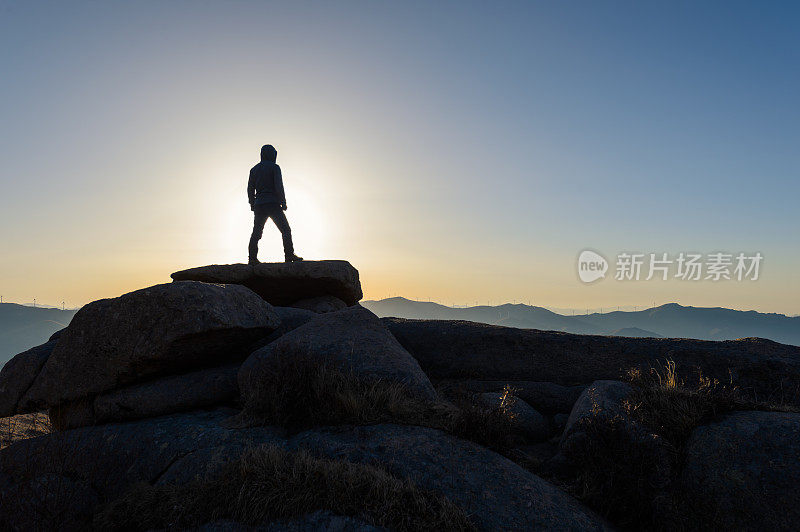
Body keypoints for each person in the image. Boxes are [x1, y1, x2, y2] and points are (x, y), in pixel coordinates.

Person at [247, 144, 303, 264]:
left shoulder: (254, 169)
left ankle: (252, 259)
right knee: (285, 230)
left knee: (256, 232)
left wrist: (252, 203)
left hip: (259, 205)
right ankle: (289, 255)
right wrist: (283, 202)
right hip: (272, 203)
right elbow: (279, 186)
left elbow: (250, 189)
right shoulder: (275, 167)